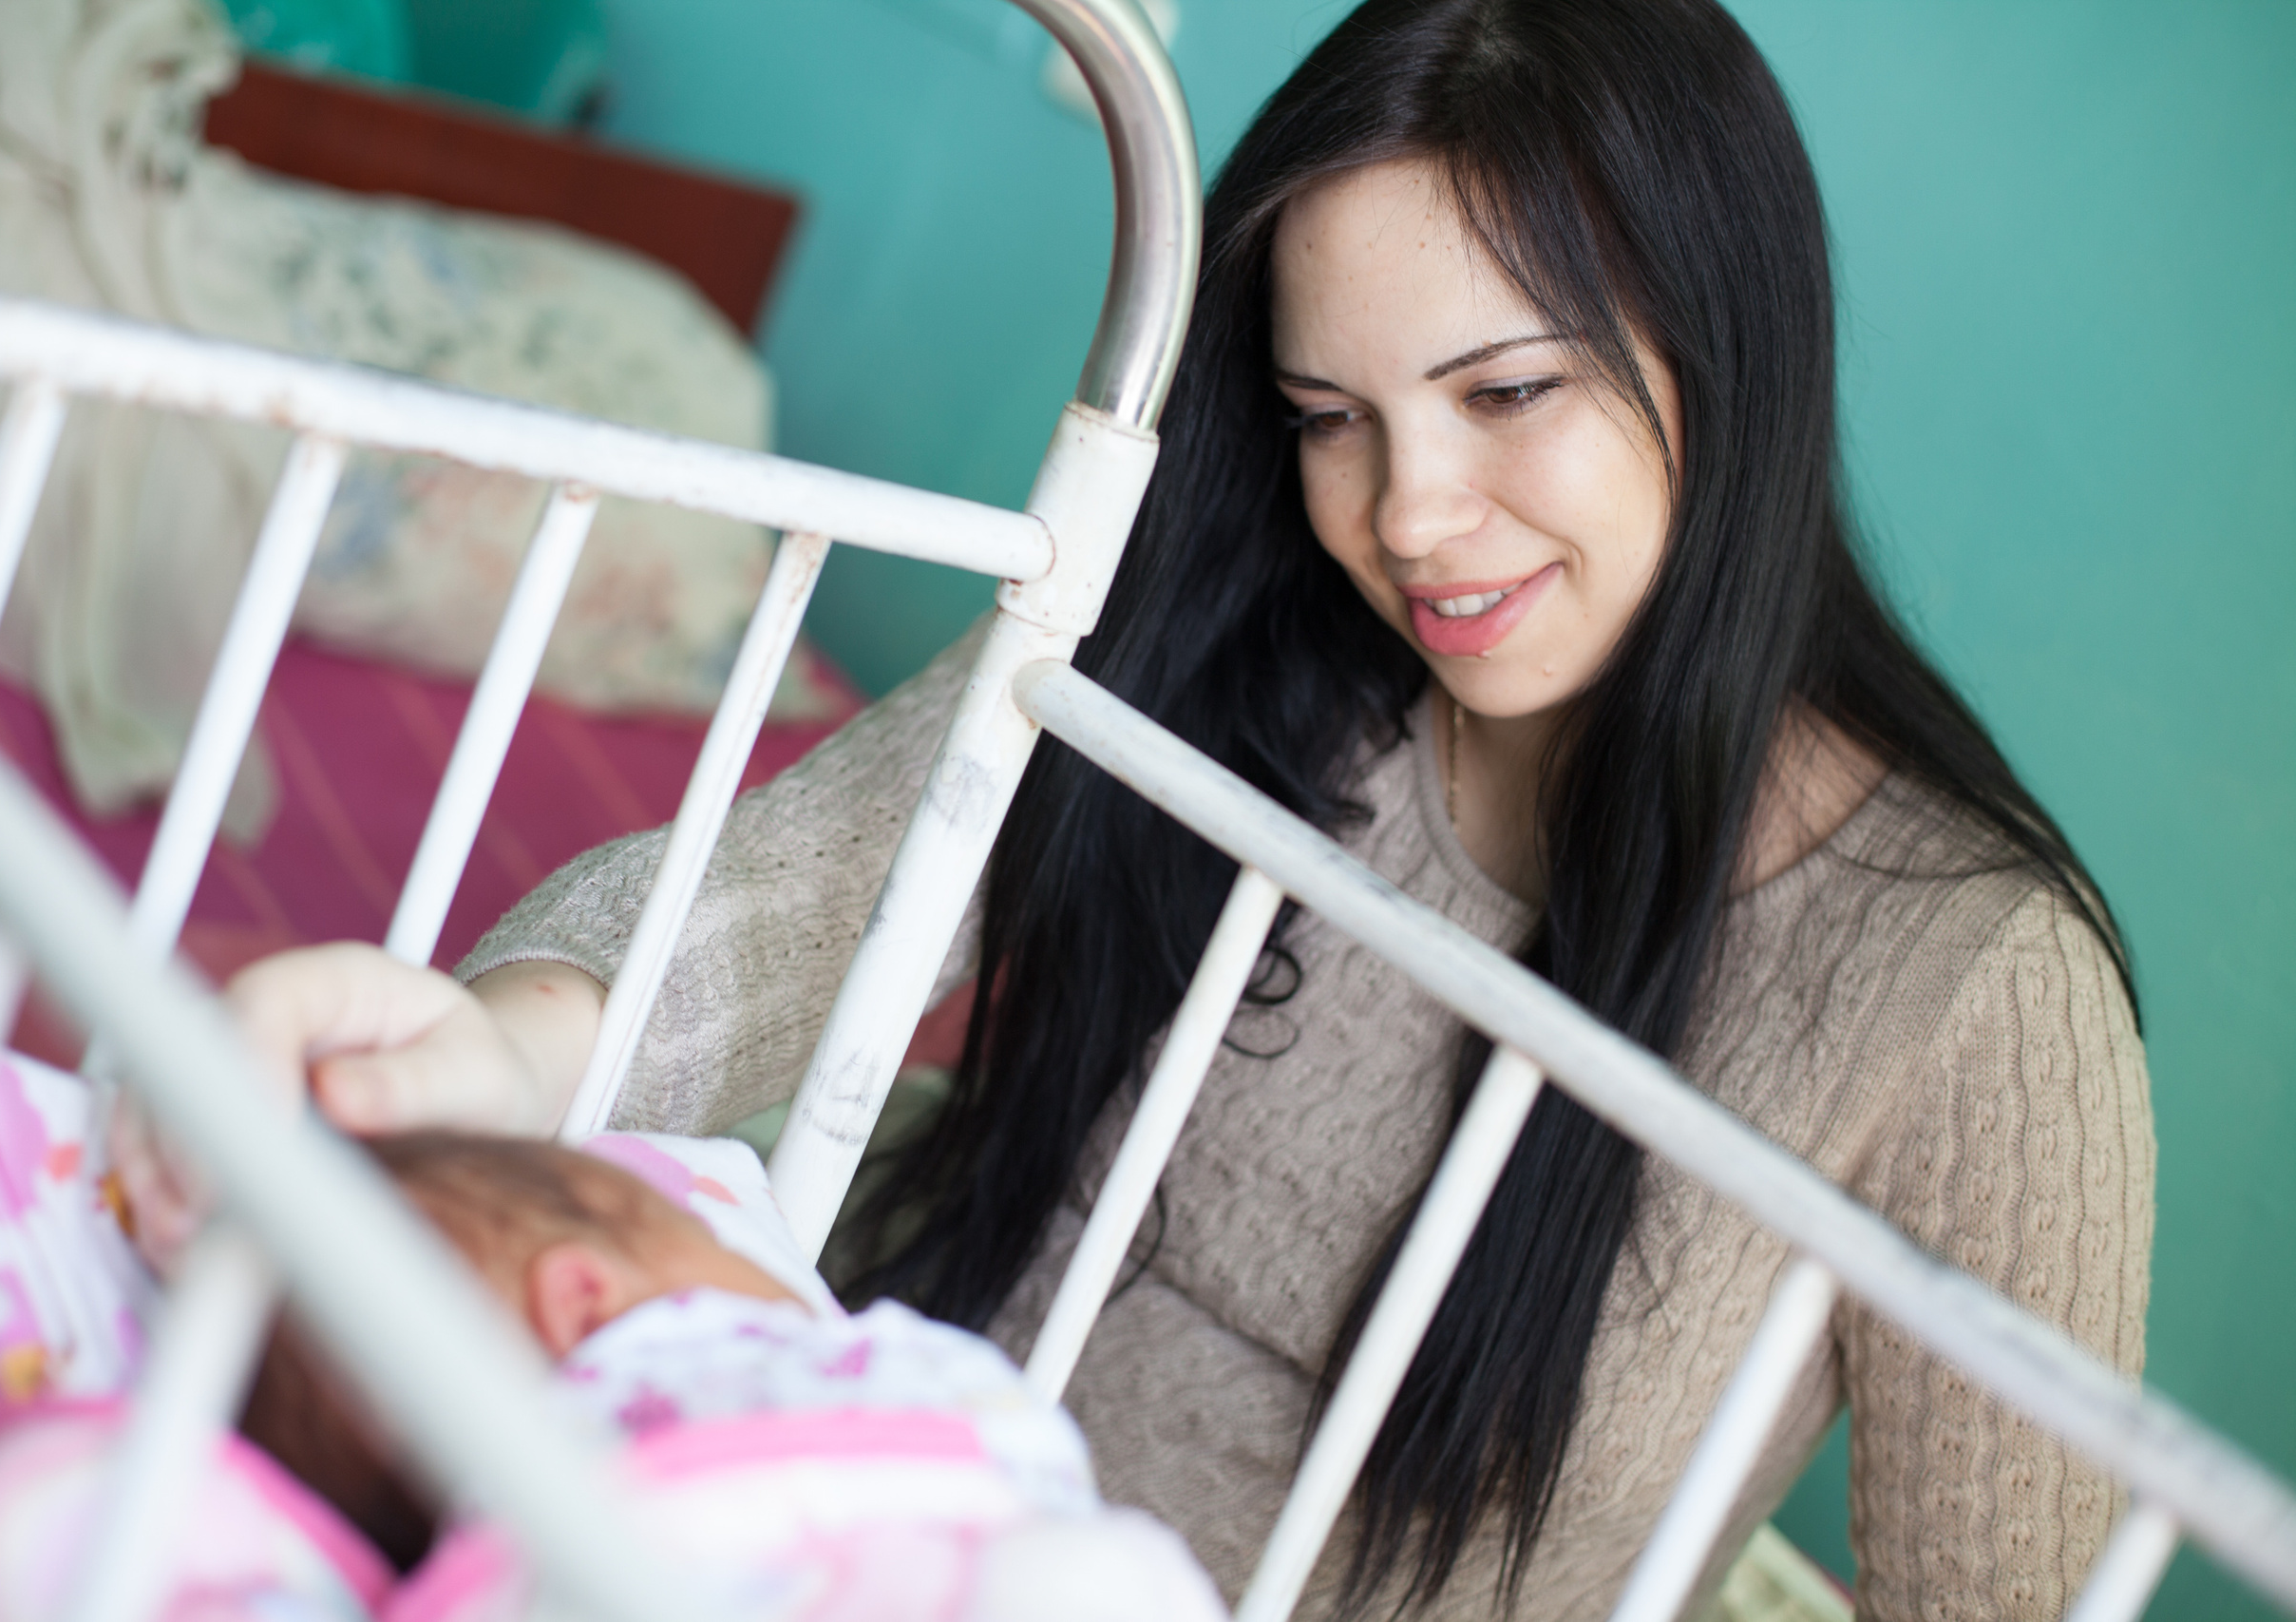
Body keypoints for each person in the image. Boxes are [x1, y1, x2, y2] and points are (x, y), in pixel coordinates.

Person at [163, 1, 2154, 1616]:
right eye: (1326, 419)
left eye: (1506, 391)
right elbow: (791, 895)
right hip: (801, 1510)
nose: (1407, 518)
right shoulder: (1227, 618)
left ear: (1725, 356)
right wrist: (499, 1046)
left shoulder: (1973, 979)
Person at [0, 1125, 1226, 1622]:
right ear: (583, 1294)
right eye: (707, 1236)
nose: (781, 1280)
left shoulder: (478, 1550)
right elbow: (976, 1434)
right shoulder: (722, 1363)